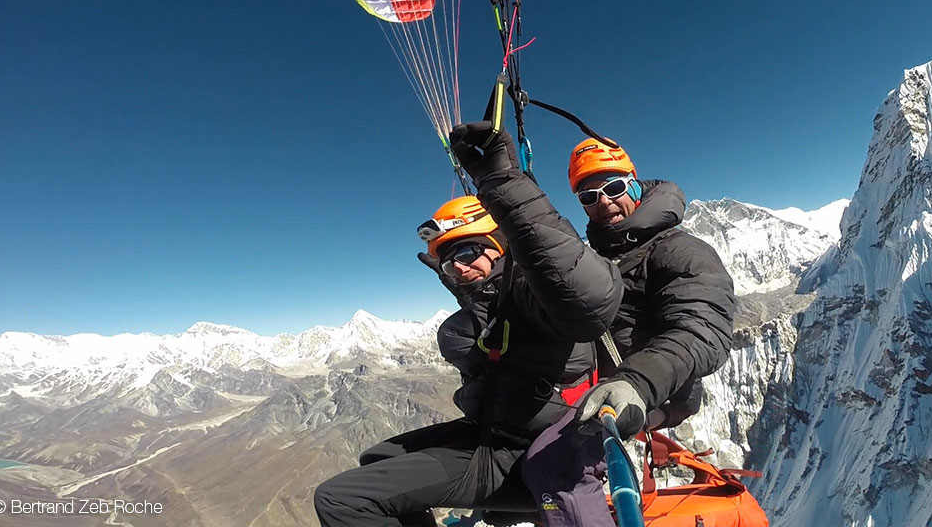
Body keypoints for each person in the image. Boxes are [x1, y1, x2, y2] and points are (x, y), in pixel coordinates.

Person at [314, 123, 623, 527]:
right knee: (377, 457)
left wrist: (504, 185)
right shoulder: (489, 300)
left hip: (529, 454)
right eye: (448, 262)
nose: (458, 266)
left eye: (469, 250)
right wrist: (460, 278)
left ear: (499, 248)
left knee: (341, 500)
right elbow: (490, 310)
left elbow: (583, 297)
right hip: (494, 437)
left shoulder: (535, 295)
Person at [520, 138, 737, 527]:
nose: (603, 202)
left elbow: (703, 328)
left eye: (614, 188)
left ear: (635, 184)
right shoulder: (601, 258)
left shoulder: (679, 250)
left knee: (552, 466)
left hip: (657, 389)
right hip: (610, 382)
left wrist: (637, 383)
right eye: (589, 196)